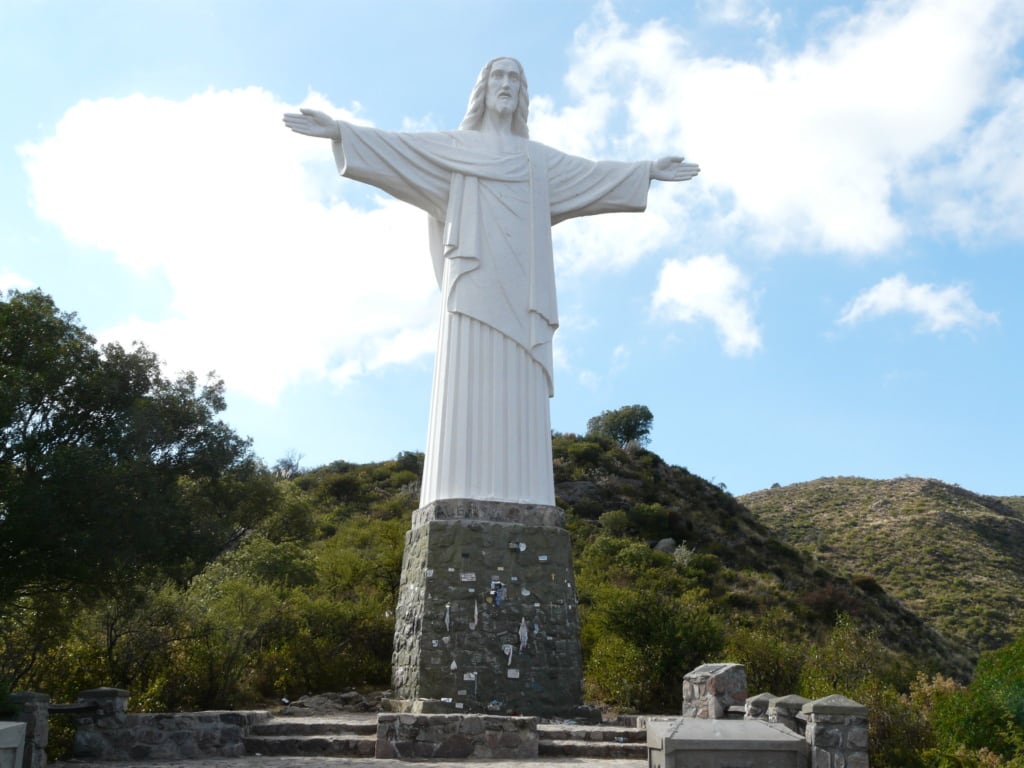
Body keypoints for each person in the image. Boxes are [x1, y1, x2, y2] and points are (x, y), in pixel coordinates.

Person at [284, 57, 699, 509]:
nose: (506, 85)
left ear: (523, 95)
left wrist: (647, 171)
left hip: (524, 296)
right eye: (498, 77)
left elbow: (594, 174)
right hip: (471, 288)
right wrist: (342, 132)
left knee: (520, 392)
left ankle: (527, 497)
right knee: (466, 387)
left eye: (515, 79)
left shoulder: (537, 162)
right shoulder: (455, 148)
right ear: (482, 90)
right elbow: (399, 149)